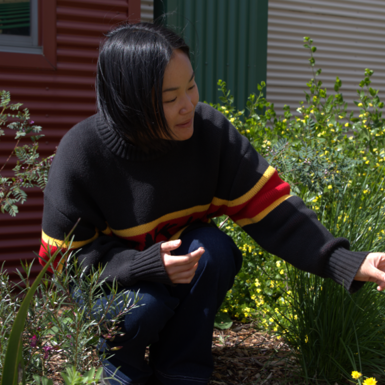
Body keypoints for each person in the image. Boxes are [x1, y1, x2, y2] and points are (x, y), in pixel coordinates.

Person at [38, 22, 385, 385]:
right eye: (170, 99)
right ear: (129, 103)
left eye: (191, 86)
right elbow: (65, 265)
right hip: (114, 284)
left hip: (173, 268)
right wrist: (141, 266)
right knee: (145, 306)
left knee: (214, 250)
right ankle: (119, 366)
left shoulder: (209, 135)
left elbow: (274, 211)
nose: (189, 104)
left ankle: (181, 368)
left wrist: (348, 261)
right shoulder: (82, 154)